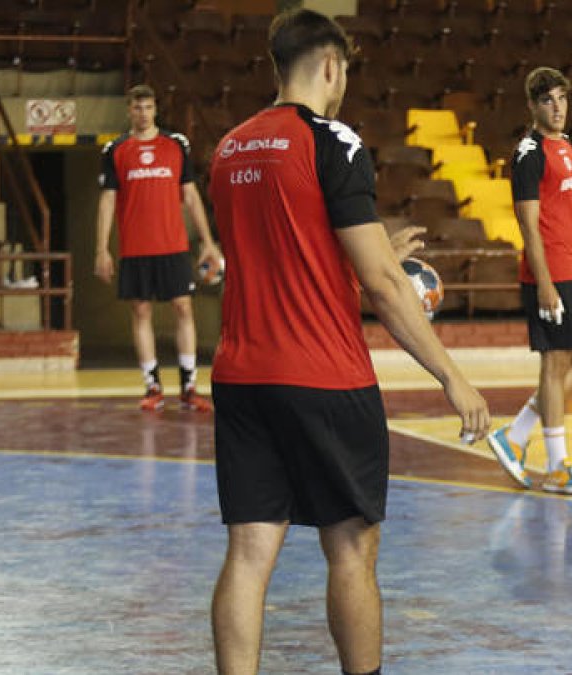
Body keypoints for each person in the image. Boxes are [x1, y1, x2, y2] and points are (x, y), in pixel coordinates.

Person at [205, 10, 490, 675]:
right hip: (324, 377)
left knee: (248, 554)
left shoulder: (230, 148)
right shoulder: (333, 139)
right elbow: (385, 285)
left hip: (242, 374)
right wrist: (452, 374)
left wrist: (361, 255)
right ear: (331, 66)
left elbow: (283, 251)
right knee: (352, 550)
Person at [485, 66, 572, 496]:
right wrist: (543, 283)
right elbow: (528, 226)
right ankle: (558, 465)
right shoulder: (529, 152)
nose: (558, 108)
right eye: (548, 100)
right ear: (533, 105)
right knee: (555, 364)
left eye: (562, 99)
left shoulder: (564, 146)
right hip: (549, 274)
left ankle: (516, 433)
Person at [95, 84, 221, 412]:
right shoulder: (115, 150)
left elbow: (191, 196)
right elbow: (107, 201)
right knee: (141, 311)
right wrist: (101, 249)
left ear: (155, 110)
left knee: (183, 308)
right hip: (135, 249)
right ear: (129, 111)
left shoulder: (176, 145)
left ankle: (189, 387)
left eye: (148, 107)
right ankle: (153, 387)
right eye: (137, 108)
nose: (143, 113)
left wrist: (208, 243)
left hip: (173, 246)